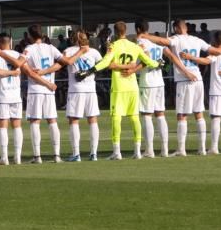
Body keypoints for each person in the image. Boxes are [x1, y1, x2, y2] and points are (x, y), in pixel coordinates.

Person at [139, 19, 221, 156]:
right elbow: (217, 51)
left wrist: (146, 36)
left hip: (184, 80)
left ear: (176, 28)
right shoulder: (197, 40)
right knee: (199, 114)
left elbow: (163, 42)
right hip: (198, 78)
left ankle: (181, 149)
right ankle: (202, 148)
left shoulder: (177, 39)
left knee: (182, 115)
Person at [80, 21, 159, 160]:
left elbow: (105, 62)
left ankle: (117, 152)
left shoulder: (113, 46)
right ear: (126, 30)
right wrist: (159, 63)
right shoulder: (134, 46)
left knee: (116, 118)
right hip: (132, 86)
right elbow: (149, 61)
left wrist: (90, 70)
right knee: (135, 117)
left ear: (115, 32)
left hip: (119, 87)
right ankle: (138, 152)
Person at [182, 32, 221, 154]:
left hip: (217, 91)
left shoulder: (216, 53)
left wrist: (191, 57)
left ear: (216, 42)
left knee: (216, 118)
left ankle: (214, 147)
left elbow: (205, 61)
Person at [20, 25, 70, 164]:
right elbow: (63, 62)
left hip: (36, 89)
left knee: (35, 121)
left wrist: (38, 71)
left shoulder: (28, 49)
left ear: (30, 36)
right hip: (49, 90)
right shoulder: (51, 48)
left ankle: (37, 156)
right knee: (52, 121)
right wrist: (48, 71)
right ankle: (56, 155)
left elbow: (26, 69)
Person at [0, 34, 26, 165]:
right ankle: (18, 157)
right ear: (10, 42)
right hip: (16, 95)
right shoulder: (18, 55)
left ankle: (4, 157)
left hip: (2, 95)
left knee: (2, 127)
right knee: (17, 126)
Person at [63, 31, 101, 162]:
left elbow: (65, 62)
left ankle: (76, 154)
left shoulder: (69, 50)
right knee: (93, 120)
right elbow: (101, 65)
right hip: (90, 89)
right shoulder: (94, 52)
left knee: (74, 121)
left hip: (76, 90)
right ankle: (93, 153)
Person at [135, 21, 170, 158]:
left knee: (147, 115)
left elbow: (145, 60)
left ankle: (149, 150)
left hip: (147, 82)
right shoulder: (157, 44)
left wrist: (132, 70)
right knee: (160, 115)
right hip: (159, 82)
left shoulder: (140, 42)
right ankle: (164, 149)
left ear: (138, 29)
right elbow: (166, 60)